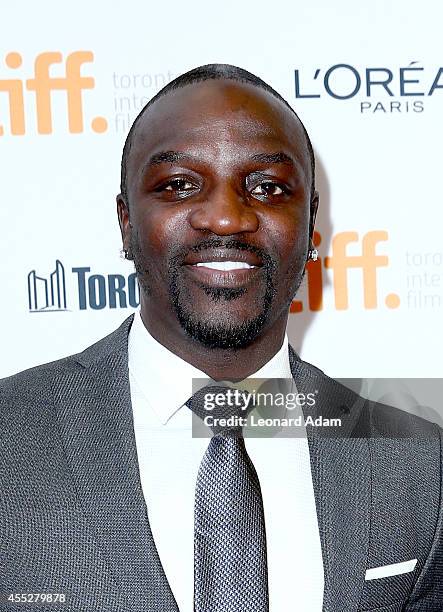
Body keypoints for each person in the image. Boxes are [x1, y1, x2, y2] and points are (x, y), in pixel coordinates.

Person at [1, 64, 441, 612]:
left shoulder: (418, 463)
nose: (227, 218)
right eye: (180, 185)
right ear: (126, 223)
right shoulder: (9, 435)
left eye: (267, 187)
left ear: (310, 227)